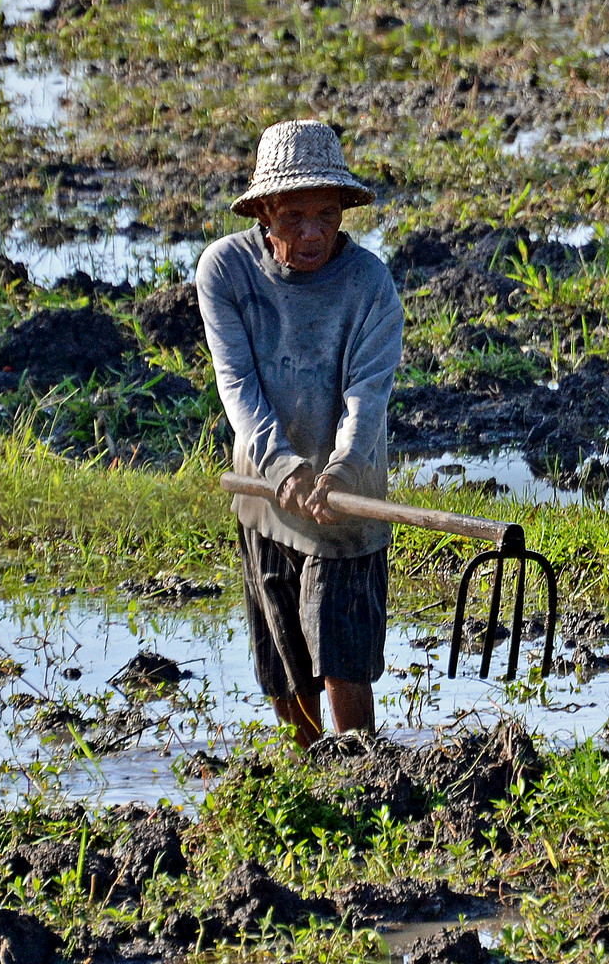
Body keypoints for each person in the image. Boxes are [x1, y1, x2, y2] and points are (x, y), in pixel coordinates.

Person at [196, 119, 404, 747]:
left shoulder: (370, 286)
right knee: (286, 660)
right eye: (293, 218)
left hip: (348, 494)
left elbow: (367, 393)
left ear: (343, 209)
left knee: (342, 650)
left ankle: (362, 774)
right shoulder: (226, 272)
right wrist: (281, 465)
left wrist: (338, 469)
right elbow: (238, 385)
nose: (312, 234)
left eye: (325, 215)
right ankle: (309, 775)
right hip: (265, 489)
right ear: (263, 212)